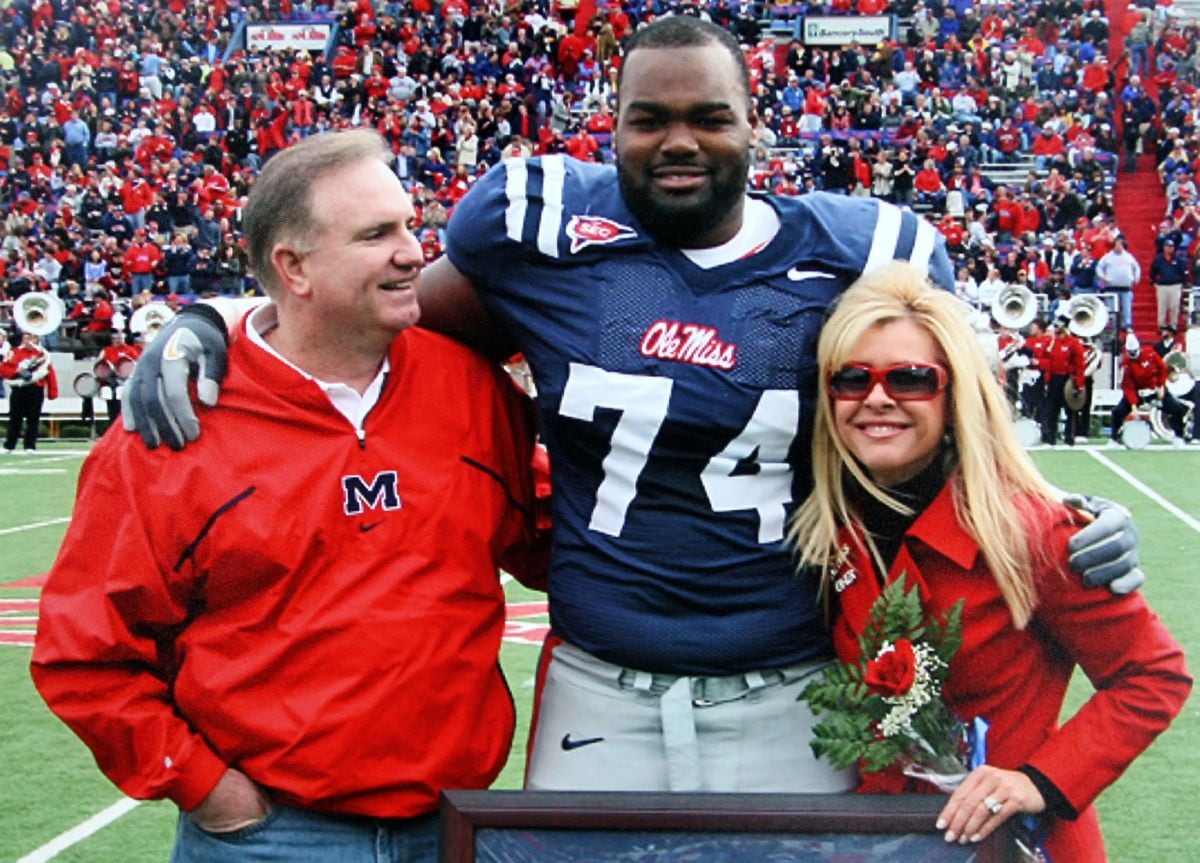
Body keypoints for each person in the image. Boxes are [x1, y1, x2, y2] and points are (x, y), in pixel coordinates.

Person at [124, 17, 1143, 794]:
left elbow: (941, 414)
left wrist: (1066, 517)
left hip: (790, 686)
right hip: (597, 683)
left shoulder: (864, 250)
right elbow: (379, 328)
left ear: (757, 127)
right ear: (609, 126)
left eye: (709, 116)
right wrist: (220, 318)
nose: (678, 141)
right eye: (648, 118)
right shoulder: (539, 225)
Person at [31, 131, 547, 863]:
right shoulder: (176, 426)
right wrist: (211, 789)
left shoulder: (469, 387)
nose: (413, 252)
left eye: (408, 224)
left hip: (454, 825)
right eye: (377, 234)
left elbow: (560, 534)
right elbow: (83, 653)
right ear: (293, 268)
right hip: (273, 835)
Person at [790, 263, 1190, 861]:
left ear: (957, 396)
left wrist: (1038, 781)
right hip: (884, 838)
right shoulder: (828, 523)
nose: (876, 398)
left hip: (1016, 845)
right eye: (851, 378)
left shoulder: (1028, 531)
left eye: (910, 379)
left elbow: (1153, 676)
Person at [1110, 332, 1190, 447]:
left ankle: (1178, 436)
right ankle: (1114, 438)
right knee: (1118, 412)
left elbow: (1162, 369)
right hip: (1138, 393)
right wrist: (1133, 406)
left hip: (1155, 389)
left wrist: (1161, 386)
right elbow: (1128, 386)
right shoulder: (1127, 364)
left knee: (1177, 409)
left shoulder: (1150, 354)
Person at [1, 331, 58, 452]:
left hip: (36, 388)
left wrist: (52, 392)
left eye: (32, 337)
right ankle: (10, 445)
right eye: (26, 337)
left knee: (33, 419)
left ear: (37, 339)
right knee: (15, 418)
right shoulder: (14, 352)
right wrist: (17, 371)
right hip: (18, 388)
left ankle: (30, 445)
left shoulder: (42, 354)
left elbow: (50, 372)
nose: (29, 340)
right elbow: (3, 368)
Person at [1038, 315, 1087, 446]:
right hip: (1054, 378)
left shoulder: (1073, 343)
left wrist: (1079, 383)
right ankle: (1050, 438)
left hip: (1068, 379)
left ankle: (1069, 438)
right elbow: (1047, 361)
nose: (1056, 329)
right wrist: (1047, 381)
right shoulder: (1053, 342)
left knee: (1070, 409)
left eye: (1058, 326)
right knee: (1052, 409)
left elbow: (1080, 364)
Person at [1095, 235, 1140, 331]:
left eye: (1121, 244)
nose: (1120, 246)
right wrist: (1103, 277)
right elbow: (1099, 267)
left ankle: (1127, 325)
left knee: (1126, 308)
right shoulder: (1107, 257)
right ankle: (1113, 325)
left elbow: (1136, 268)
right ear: (1114, 245)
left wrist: (1136, 277)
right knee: (1111, 309)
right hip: (1111, 287)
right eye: (1118, 244)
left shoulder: (1128, 257)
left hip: (1125, 287)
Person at [1148, 239, 1188, 330]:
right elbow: (1152, 272)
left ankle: (1173, 325)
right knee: (1162, 306)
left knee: (1174, 306)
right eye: (1168, 246)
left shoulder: (1178, 260)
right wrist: (1155, 282)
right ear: (1164, 248)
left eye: (1171, 246)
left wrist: (1182, 283)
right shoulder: (1158, 259)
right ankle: (1161, 325)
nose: (1170, 248)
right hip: (1162, 286)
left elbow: (1183, 273)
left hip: (1175, 285)